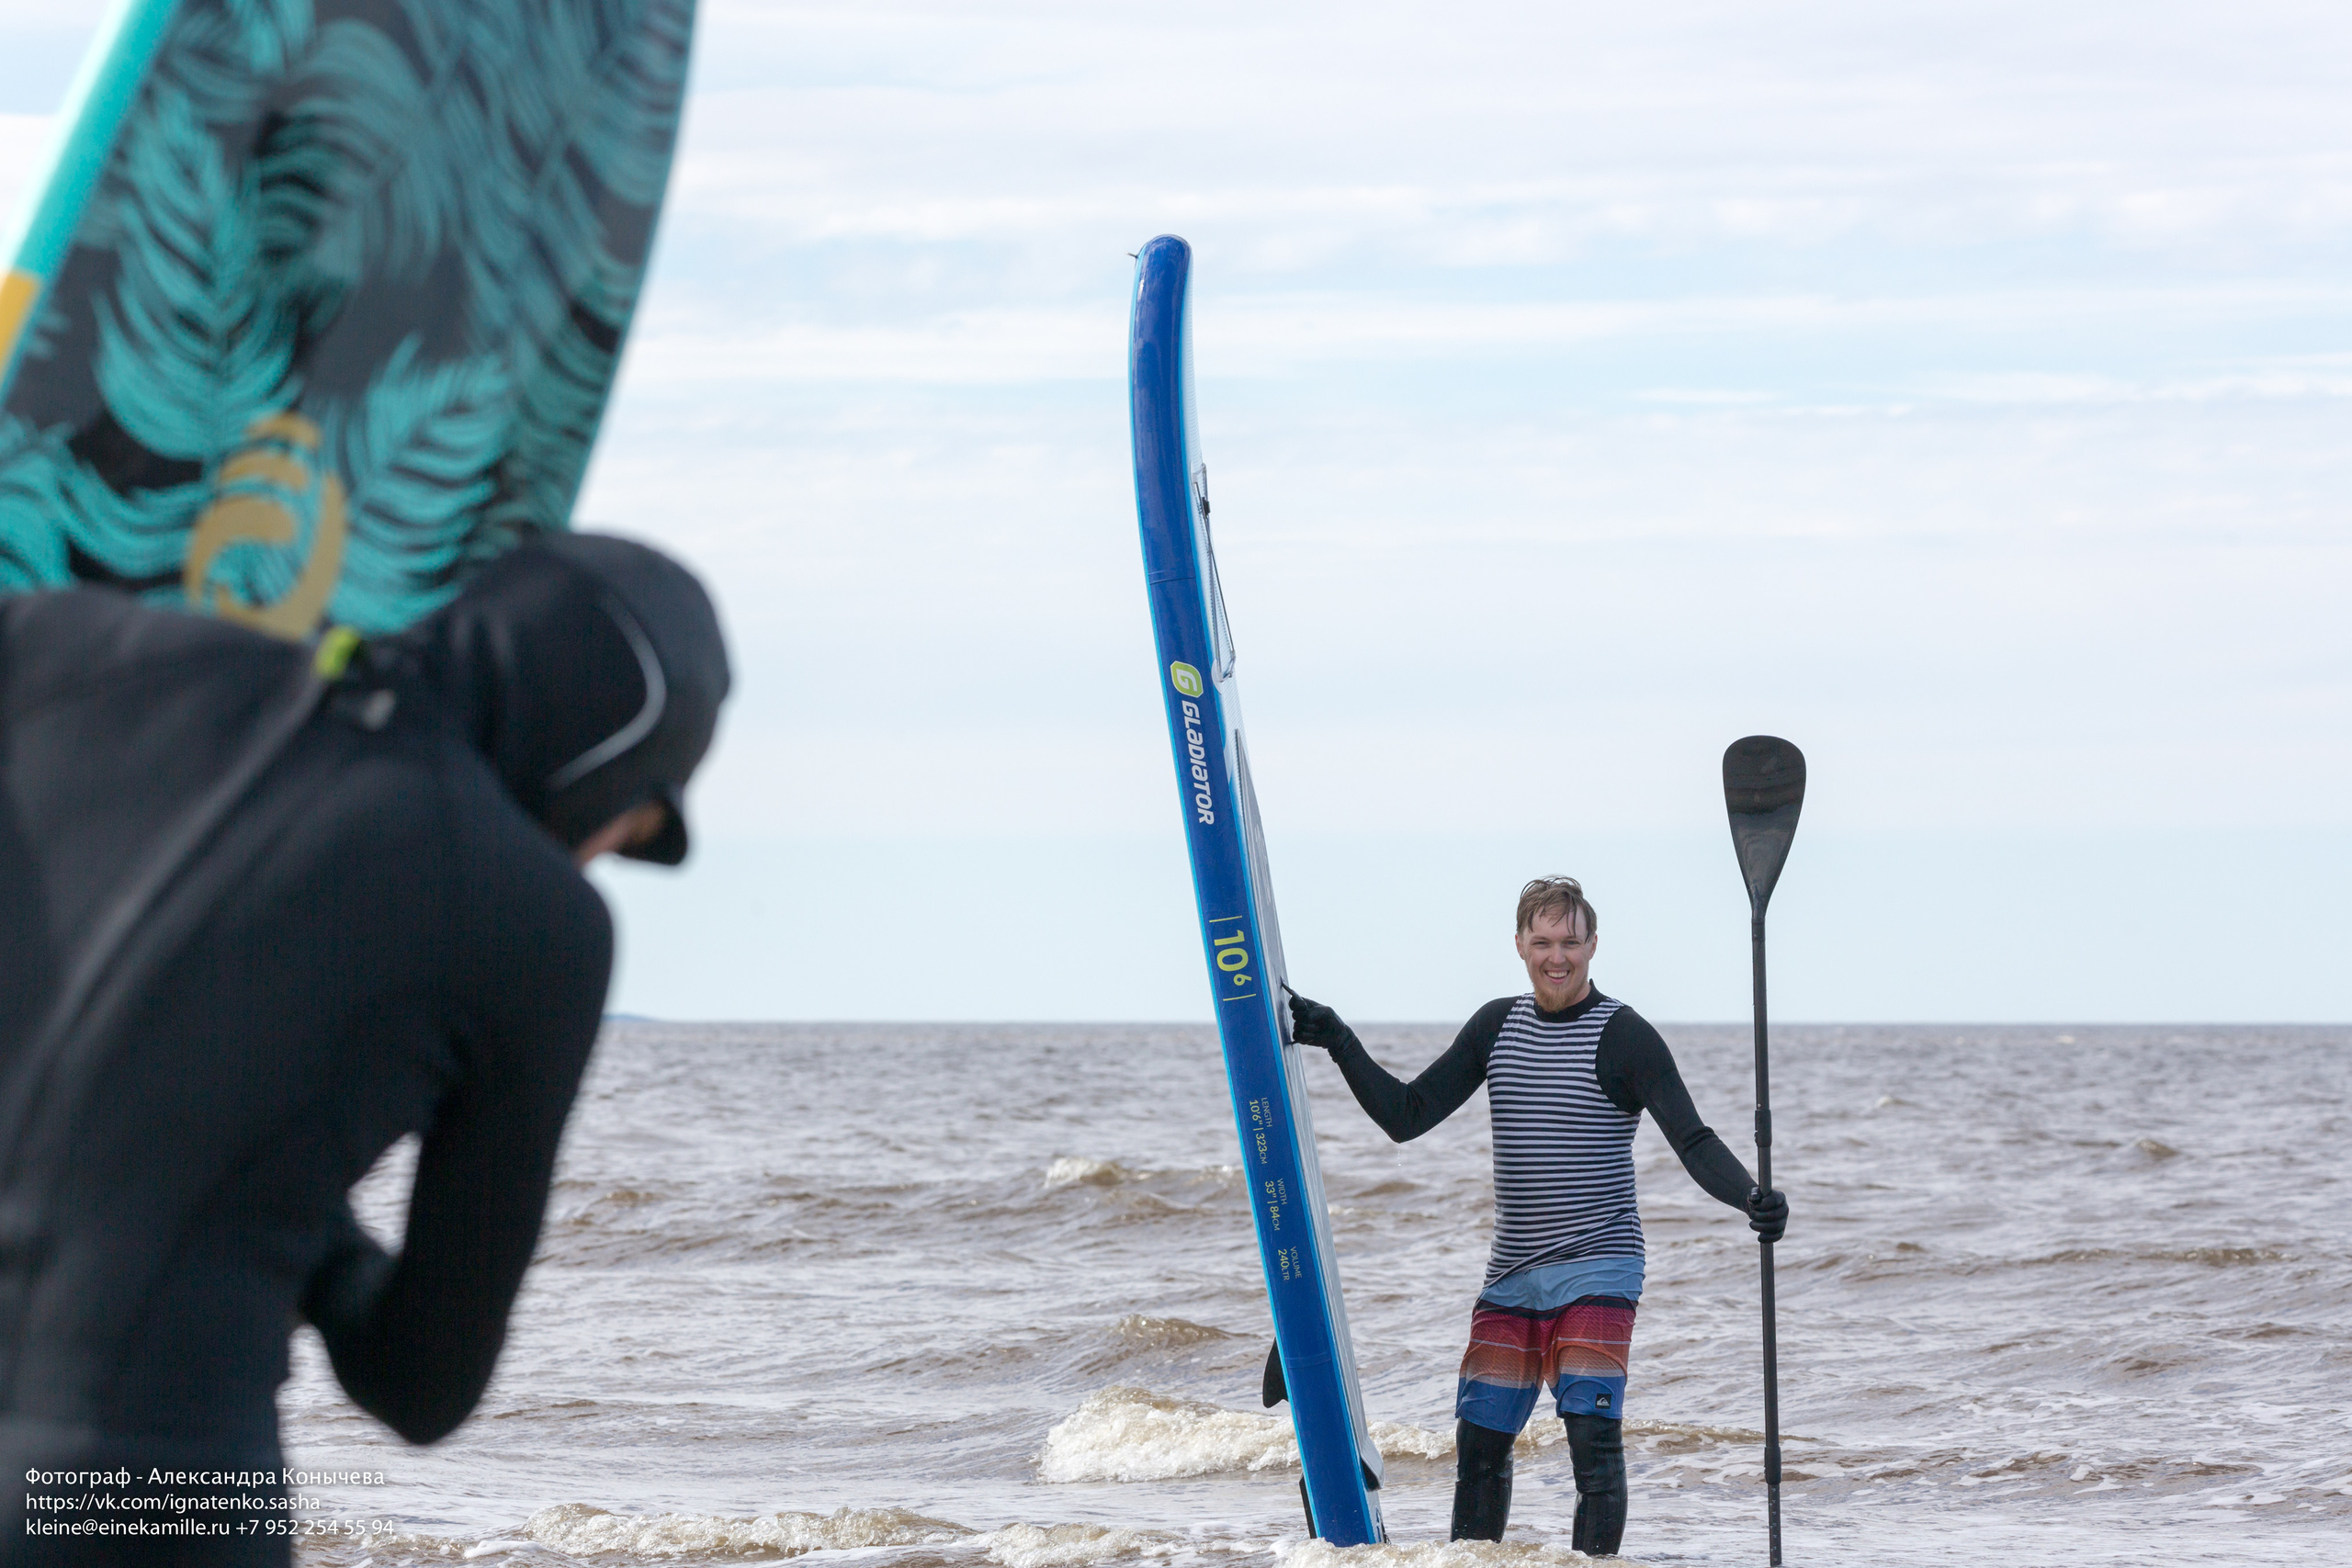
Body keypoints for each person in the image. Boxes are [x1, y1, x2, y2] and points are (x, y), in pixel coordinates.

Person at [0, 533, 729, 1562]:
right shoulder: (535, 921)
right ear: (601, 754)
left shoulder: (58, 647)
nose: (602, 857)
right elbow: (422, 1381)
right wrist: (311, 1231)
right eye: (627, 822)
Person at [1287, 875, 1786, 1555]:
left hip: (1601, 1267)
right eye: (1543, 941)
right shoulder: (1497, 1026)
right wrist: (1339, 1038)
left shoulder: (1626, 1037)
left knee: (1591, 1438)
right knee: (1480, 1446)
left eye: (1571, 942)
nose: (1558, 957)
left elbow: (1693, 1140)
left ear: (1593, 945)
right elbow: (1406, 1116)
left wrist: (1750, 1194)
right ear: (1520, 944)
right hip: (1512, 1275)